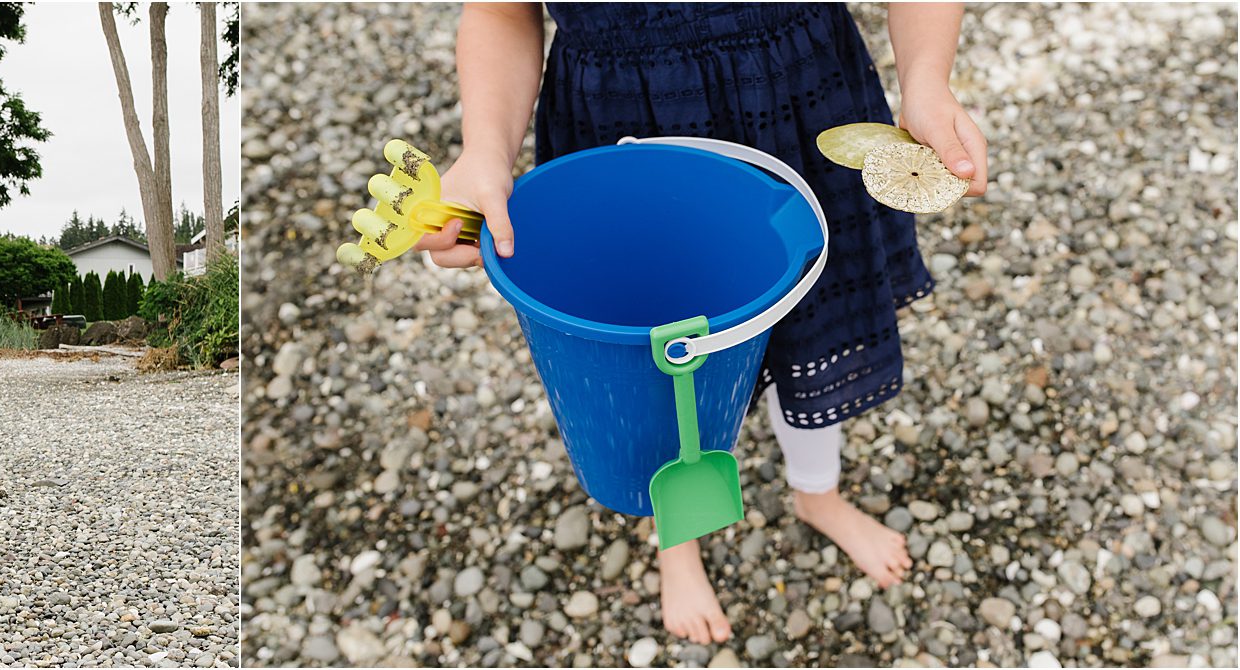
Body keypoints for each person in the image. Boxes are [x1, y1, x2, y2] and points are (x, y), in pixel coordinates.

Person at [418, 3, 990, 644]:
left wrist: (926, 79)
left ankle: (817, 493)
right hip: (624, 129)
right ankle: (677, 539)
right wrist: (485, 151)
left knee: (814, 322)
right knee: (655, 355)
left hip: (796, 98)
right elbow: (500, 12)